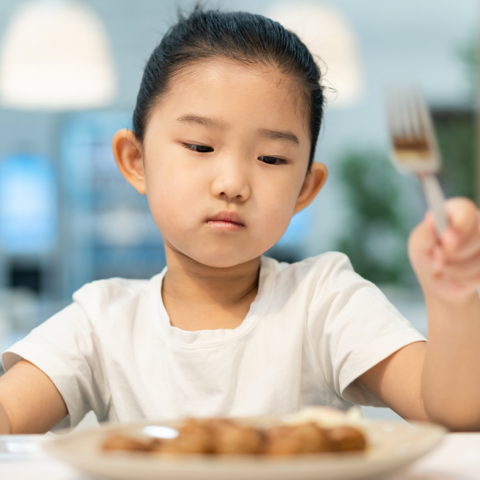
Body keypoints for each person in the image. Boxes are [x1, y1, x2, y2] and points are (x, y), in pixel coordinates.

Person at [1, 7, 480, 435]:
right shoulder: (102, 322)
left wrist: (455, 299)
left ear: (305, 190)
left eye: (271, 158)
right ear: (135, 160)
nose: (232, 183)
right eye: (200, 147)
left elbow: (450, 414)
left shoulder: (324, 299)